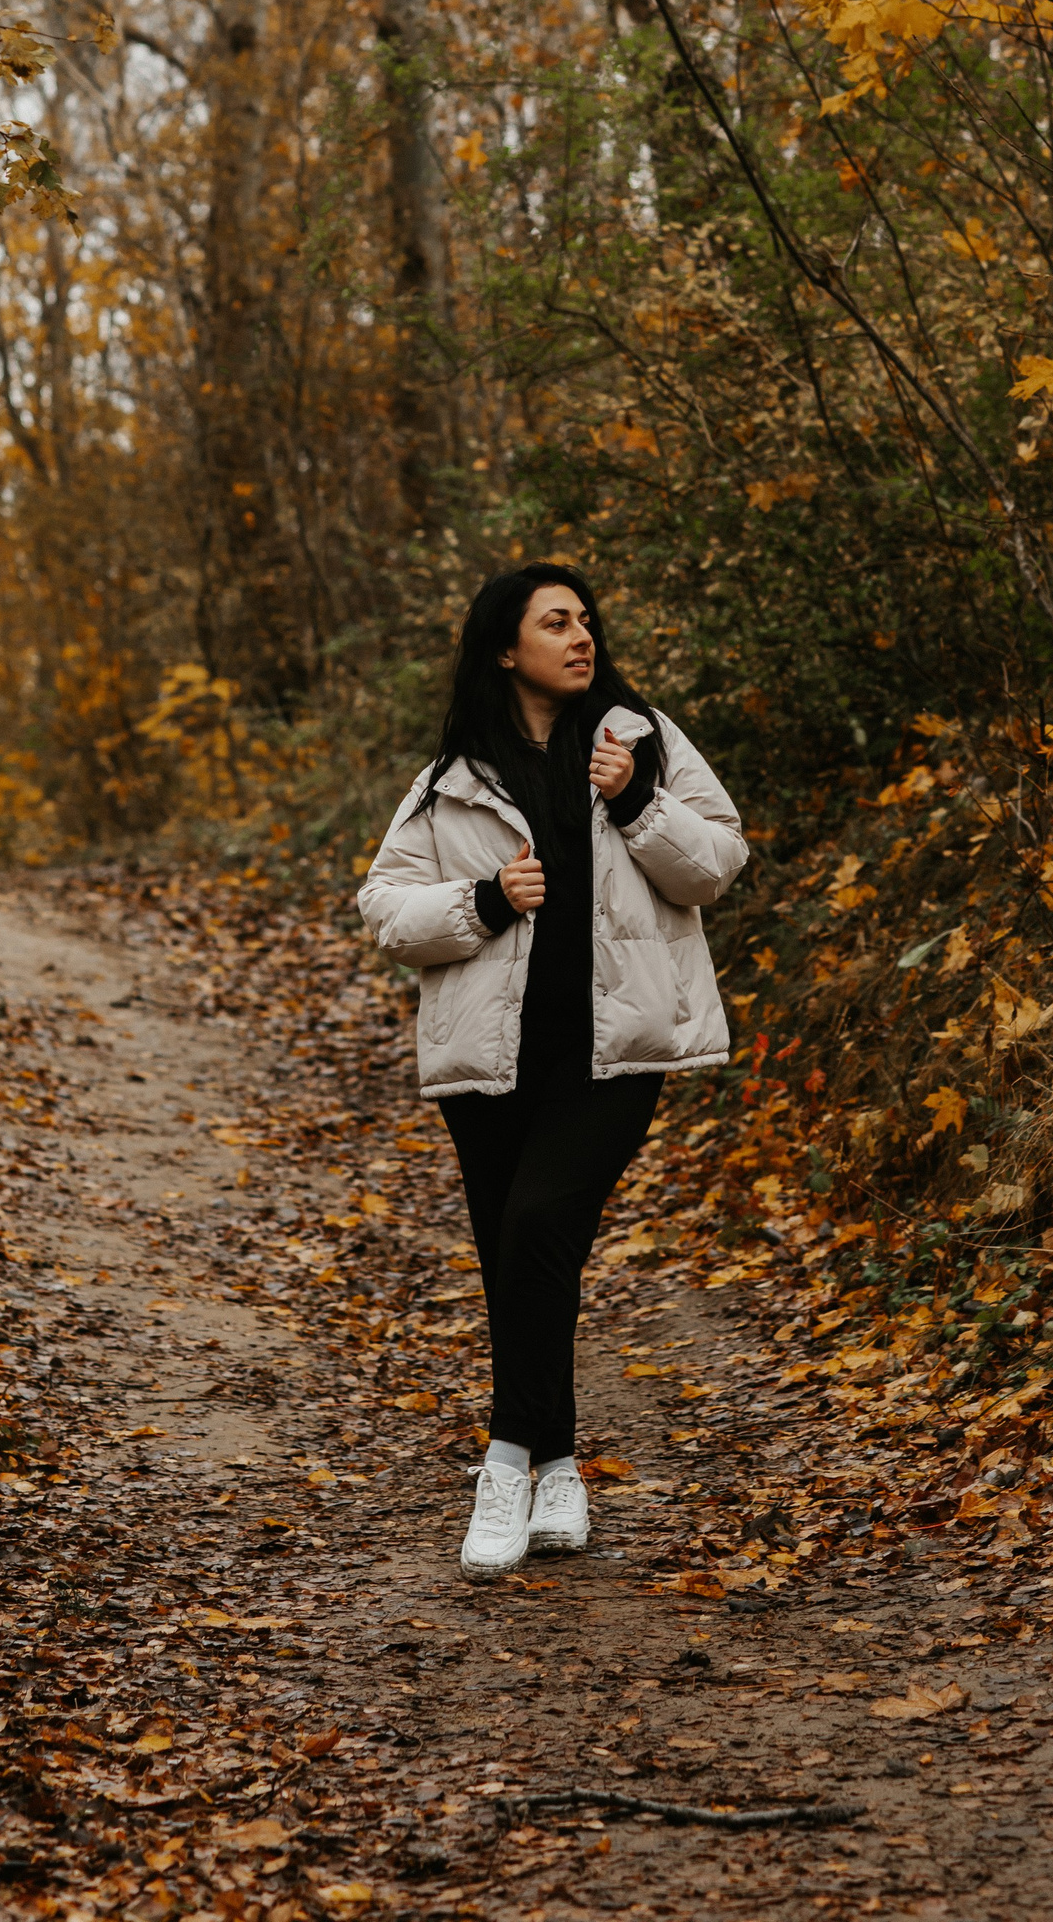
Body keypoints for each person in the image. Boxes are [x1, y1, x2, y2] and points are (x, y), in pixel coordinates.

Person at [358, 563, 746, 1581]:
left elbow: (718, 864)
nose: (581, 637)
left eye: (586, 621)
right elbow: (385, 909)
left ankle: (503, 1466)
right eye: (556, 622)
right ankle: (561, 1467)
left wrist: (640, 801)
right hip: (492, 1060)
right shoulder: (450, 780)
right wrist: (482, 901)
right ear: (504, 649)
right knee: (519, 1260)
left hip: (613, 1053)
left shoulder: (640, 742)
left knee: (537, 1227)